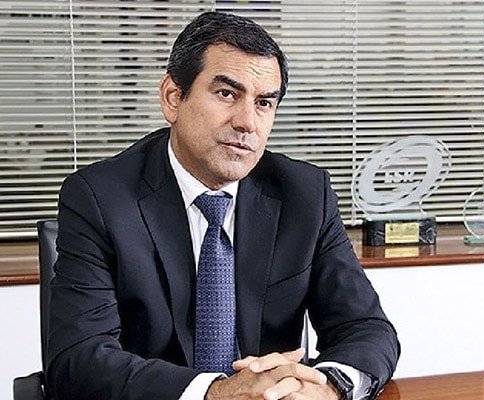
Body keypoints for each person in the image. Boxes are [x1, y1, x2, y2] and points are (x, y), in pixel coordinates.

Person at [47, 11, 399, 400]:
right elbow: (78, 360)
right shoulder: (100, 198)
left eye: (264, 103)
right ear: (173, 98)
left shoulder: (304, 194)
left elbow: (367, 329)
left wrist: (328, 387)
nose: (247, 122)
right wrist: (217, 393)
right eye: (227, 94)